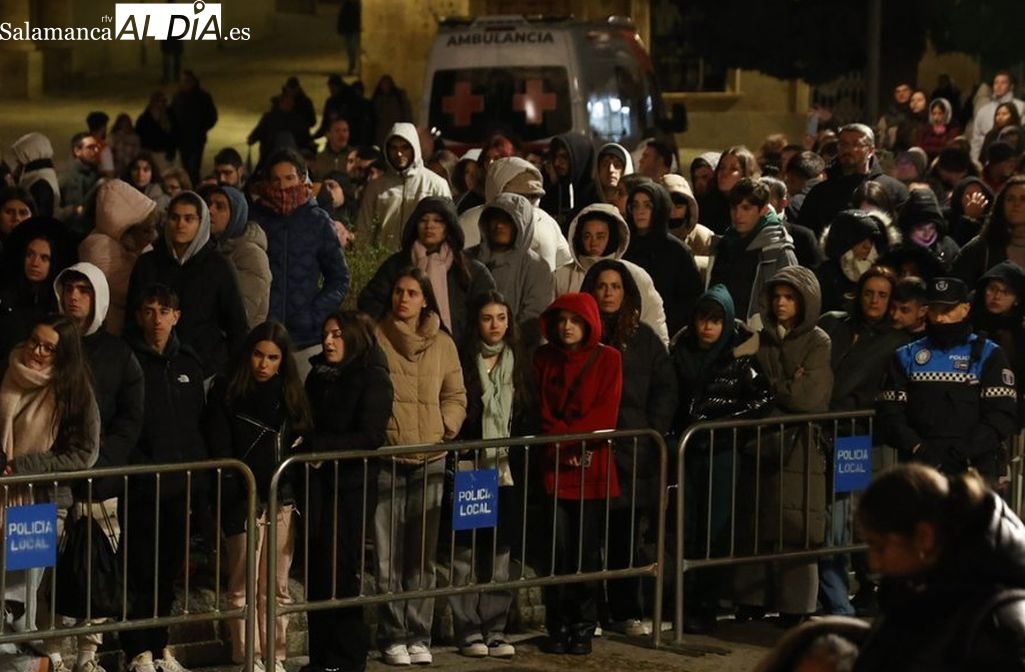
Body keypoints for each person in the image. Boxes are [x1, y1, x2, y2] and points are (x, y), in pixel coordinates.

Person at [52, 262, 144, 672]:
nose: (74, 297)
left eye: (84, 290)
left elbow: (130, 420)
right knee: (46, 570)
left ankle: (88, 655)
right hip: (50, 483)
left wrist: (99, 465)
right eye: (69, 288)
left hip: (100, 484)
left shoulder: (118, 354)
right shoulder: (47, 345)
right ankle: (51, 651)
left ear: (99, 298)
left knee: (98, 568)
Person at [373, 268, 466, 666]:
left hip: (430, 458)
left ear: (425, 299)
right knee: (387, 555)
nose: (404, 299)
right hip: (389, 458)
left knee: (422, 555)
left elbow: (456, 393)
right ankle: (393, 634)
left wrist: (445, 427)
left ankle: (418, 633)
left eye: (412, 292)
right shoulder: (376, 337)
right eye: (399, 291)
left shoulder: (443, 344)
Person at [206, 322, 312, 672]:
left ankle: (275, 655)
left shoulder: (290, 394)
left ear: (283, 361)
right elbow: (221, 447)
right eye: (258, 354)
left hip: (281, 499)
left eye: (272, 357)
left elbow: (300, 440)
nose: (263, 364)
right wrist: (234, 493)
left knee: (276, 585)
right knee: (242, 584)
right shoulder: (227, 391)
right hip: (242, 498)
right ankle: (247, 654)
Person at [580, 260, 677, 637]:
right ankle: (588, 611)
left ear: (627, 293)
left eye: (616, 286)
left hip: (633, 452)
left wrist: (651, 431)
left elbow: (665, 389)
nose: (608, 293)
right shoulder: (579, 332)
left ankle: (625, 610)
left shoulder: (644, 338)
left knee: (625, 537)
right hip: (592, 450)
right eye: (602, 286)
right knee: (588, 538)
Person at [669, 285, 773, 633]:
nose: (707, 327)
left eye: (715, 320)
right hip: (688, 451)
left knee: (714, 530)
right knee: (686, 526)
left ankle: (706, 603)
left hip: (721, 450)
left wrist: (723, 423)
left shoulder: (741, 354)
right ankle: (683, 600)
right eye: (703, 319)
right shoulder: (681, 350)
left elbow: (761, 399)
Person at [851, 464, 1025, 671]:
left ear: (924, 537)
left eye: (880, 547)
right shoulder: (913, 589)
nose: (874, 562)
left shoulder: (999, 625)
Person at [734, 266, 833, 625]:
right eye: (776, 296)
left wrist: (772, 388)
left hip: (801, 447)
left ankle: (796, 606)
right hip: (763, 443)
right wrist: (787, 383)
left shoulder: (818, 341)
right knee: (756, 522)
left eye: (789, 297)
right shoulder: (760, 340)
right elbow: (747, 390)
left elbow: (809, 398)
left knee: (797, 525)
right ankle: (752, 599)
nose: (781, 303)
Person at [0, 315, 100, 648]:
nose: (37, 351)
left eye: (48, 348)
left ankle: (27, 665)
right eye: (34, 341)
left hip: (38, 505)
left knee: (16, 606)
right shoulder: (8, 372)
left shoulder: (74, 391)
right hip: (2, 495)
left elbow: (83, 454)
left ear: (63, 355)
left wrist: (23, 466)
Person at [303, 309, 393, 672]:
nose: (328, 341)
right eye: (326, 334)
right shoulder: (317, 376)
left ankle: (346, 657)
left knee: (341, 573)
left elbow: (371, 435)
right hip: (319, 487)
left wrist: (321, 448)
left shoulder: (372, 376)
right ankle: (320, 657)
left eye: (337, 334)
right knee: (318, 574)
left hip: (351, 489)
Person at [450, 292, 537, 659]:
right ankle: (467, 629)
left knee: (500, 553)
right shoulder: (464, 361)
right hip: (472, 467)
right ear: (477, 322)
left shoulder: (519, 362)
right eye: (488, 318)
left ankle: (496, 629)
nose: (495, 325)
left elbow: (527, 411)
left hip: (506, 470)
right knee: (466, 554)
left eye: (501, 317)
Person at [123, 284, 205, 672]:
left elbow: (196, 423)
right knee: (140, 571)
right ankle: (135, 650)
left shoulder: (189, 362)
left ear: (176, 316)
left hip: (177, 486)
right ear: (140, 316)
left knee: (168, 572)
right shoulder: (128, 360)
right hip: (141, 485)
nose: (157, 319)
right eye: (149, 311)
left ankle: (158, 647)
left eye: (164, 311)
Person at [535, 292, 623, 656]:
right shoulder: (544, 358)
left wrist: (570, 444)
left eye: (574, 320)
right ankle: (557, 624)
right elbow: (541, 408)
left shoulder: (608, 358)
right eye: (561, 320)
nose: (566, 327)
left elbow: (606, 413)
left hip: (591, 466)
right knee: (556, 551)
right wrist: (561, 445)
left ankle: (583, 626)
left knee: (585, 551)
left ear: (588, 323)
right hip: (556, 464)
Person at [817, 266, 906, 617]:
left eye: (883, 295)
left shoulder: (896, 341)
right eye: (869, 292)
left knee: (844, 522)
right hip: (817, 430)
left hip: (857, 439)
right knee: (824, 518)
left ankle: (846, 598)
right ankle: (833, 597)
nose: (874, 300)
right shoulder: (832, 323)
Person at [877, 276, 1017, 482]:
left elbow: (1000, 415)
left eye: (947, 310)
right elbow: (890, 413)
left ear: (965, 309)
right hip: (919, 469)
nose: (940, 318)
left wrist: (961, 453)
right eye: (934, 310)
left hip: (974, 469)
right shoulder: (906, 355)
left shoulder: (989, 354)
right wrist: (918, 448)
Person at [127, 190, 248, 380]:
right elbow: (132, 319)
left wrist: (228, 373)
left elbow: (237, 326)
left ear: (201, 223)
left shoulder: (219, 266)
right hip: (152, 368)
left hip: (204, 369)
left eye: (189, 219)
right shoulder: (147, 264)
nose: (180, 224)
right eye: (174, 217)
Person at [251, 149, 350, 379]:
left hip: (306, 339)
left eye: (289, 178)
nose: (283, 186)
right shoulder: (256, 219)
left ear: (302, 178)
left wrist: (314, 314)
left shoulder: (318, 221)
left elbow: (339, 278)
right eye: (276, 180)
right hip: (264, 337)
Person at [358, 196, 493, 342]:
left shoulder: (471, 270)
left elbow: (488, 312)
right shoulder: (397, 265)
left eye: (438, 221)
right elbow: (370, 302)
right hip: (401, 345)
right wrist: (394, 330)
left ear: (449, 226)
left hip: (457, 349)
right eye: (423, 220)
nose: (429, 226)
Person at [555, 203, 669, 344]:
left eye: (600, 236)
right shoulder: (562, 276)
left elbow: (654, 322)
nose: (593, 243)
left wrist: (658, 353)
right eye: (587, 236)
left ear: (613, 236)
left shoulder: (636, 274)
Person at [707, 178, 797, 328]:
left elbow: (791, 304)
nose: (738, 215)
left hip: (759, 334)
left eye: (746, 208)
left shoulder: (779, 251)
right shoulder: (723, 245)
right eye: (734, 208)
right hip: (721, 329)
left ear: (763, 210)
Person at [458, 156, 572, 272]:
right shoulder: (469, 223)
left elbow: (567, 266)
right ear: (496, 190)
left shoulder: (546, 222)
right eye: (519, 196)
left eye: (533, 196)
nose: (525, 203)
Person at [469, 193, 554, 345]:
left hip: (518, 350)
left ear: (522, 224)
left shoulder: (537, 267)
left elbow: (533, 317)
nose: (499, 226)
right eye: (495, 219)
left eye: (507, 220)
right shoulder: (467, 259)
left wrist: (506, 347)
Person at [78, 179, 159, 336]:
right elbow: (128, 290)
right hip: (107, 328)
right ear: (128, 227)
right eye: (146, 230)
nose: (152, 236)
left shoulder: (136, 246)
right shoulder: (98, 246)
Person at [797, 124, 909, 236]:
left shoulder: (893, 189)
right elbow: (806, 236)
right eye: (843, 144)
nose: (848, 149)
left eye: (856, 144)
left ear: (871, 150)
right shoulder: (821, 192)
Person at [623, 180, 703, 336]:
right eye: (635, 205)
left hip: (665, 331)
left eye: (647, 205)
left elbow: (690, 301)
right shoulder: (623, 245)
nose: (640, 211)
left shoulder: (678, 251)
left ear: (659, 208)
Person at [355, 122, 451, 251]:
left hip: (425, 259)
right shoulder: (376, 187)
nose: (399, 153)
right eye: (393, 148)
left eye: (405, 148)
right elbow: (364, 230)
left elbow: (448, 229)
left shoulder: (436, 184)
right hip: (385, 259)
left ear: (414, 148)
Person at [0, 218, 74, 373]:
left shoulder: (60, 305)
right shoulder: (6, 297)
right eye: (30, 255)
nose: (35, 263)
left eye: (44, 258)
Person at [203, 184, 271, 329]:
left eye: (220, 207)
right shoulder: (212, 247)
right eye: (208, 204)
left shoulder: (251, 255)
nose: (210, 210)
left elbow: (241, 312)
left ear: (236, 215)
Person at [971, 261, 1025, 424]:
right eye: (992, 288)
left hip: (1012, 407)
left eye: (1006, 292)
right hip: (971, 405)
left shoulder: (1020, 331)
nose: (997, 296)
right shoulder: (968, 323)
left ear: (1017, 299)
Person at [953, 175, 1025, 287]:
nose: (1016, 204)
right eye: (1010, 199)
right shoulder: (982, 247)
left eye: (1023, 199)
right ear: (1001, 204)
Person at [539, 132, 601, 234]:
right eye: (555, 157)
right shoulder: (552, 189)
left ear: (579, 159)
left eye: (564, 157)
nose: (557, 163)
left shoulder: (594, 196)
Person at [697, 146, 759, 234]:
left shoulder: (755, 206)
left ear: (745, 174)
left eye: (733, 169)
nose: (724, 173)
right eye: (722, 168)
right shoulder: (704, 206)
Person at [171, 70, 218, 184]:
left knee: (194, 169)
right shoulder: (178, 97)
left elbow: (212, 116)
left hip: (197, 139)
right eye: (182, 81)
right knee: (186, 168)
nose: (183, 84)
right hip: (182, 140)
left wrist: (201, 128)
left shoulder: (203, 97)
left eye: (186, 81)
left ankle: (195, 187)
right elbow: (173, 115)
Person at [970, 70, 1025, 161]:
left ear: (1011, 86)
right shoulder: (983, 110)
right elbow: (976, 139)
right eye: (996, 83)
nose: (999, 86)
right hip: (987, 157)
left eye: (1003, 83)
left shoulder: (1021, 107)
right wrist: (974, 161)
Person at [6, 132, 60, 217]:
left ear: (28, 156)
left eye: (19, 159)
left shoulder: (40, 184)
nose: (16, 164)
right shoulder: (41, 175)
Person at [337, 0, 361, 75]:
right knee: (352, 49)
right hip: (352, 29)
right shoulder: (354, 6)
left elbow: (342, 17)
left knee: (351, 49)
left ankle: (353, 67)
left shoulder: (348, 6)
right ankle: (353, 67)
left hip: (351, 29)